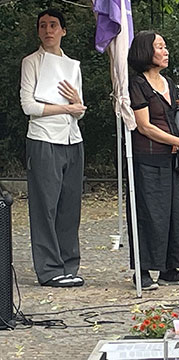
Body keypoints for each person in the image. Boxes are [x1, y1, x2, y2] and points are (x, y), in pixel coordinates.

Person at [127, 31, 179, 290]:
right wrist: (178, 142)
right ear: (146, 52)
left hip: (171, 159)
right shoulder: (138, 84)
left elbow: (175, 118)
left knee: (176, 213)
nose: (165, 51)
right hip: (148, 158)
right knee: (150, 215)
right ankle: (143, 270)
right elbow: (144, 126)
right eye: (160, 47)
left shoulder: (168, 82)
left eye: (165, 46)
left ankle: (170, 268)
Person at [20, 9, 87, 287]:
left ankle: (68, 264)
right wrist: (65, 106)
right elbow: (29, 106)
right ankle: (48, 269)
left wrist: (75, 103)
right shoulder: (31, 62)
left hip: (72, 139)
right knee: (45, 206)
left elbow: (79, 111)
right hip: (43, 139)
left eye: (53, 25)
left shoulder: (72, 65)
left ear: (63, 31)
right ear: (38, 32)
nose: (48, 30)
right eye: (43, 26)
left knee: (69, 207)